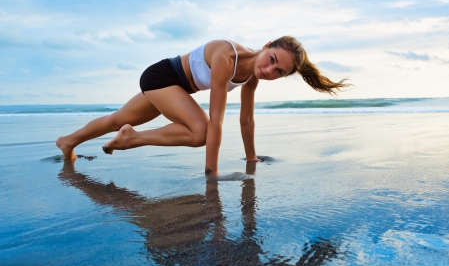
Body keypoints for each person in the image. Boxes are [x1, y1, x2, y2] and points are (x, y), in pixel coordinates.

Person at [56, 36, 349, 176]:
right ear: (267, 44)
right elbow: (217, 120)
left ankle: (67, 142)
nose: (269, 70)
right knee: (201, 132)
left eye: (279, 72)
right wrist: (212, 174)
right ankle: (131, 138)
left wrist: (252, 158)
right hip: (162, 76)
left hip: (176, 86)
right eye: (272, 60)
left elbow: (246, 119)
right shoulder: (226, 57)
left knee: (115, 119)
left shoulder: (250, 77)